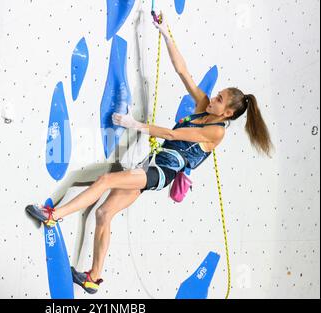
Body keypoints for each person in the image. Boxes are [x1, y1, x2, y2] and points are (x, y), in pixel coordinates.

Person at [26, 12, 273, 294]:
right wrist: (166, 33)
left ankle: (53, 215)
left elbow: (171, 135)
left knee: (105, 181)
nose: (213, 97)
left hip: (159, 173)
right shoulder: (204, 107)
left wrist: (134, 124)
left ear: (227, 112)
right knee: (105, 213)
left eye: (219, 99)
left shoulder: (217, 131)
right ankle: (93, 277)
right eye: (217, 94)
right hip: (150, 165)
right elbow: (183, 72)